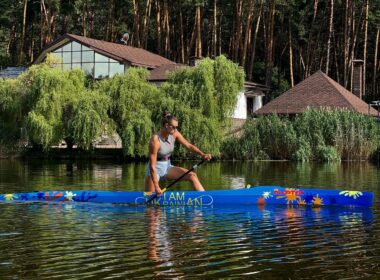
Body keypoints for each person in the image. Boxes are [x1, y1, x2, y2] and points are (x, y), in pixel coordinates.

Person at [145, 113, 211, 195]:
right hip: (155, 170)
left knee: (192, 176)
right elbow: (152, 166)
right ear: (166, 125)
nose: (176, 129)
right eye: (174, 127)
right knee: (150, 200)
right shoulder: (155, 140)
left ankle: (204, 197)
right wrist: (157, 187)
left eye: (177, 127)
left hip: (167, 167)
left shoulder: (174, 133)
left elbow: (189, 146)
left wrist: (202, 154)